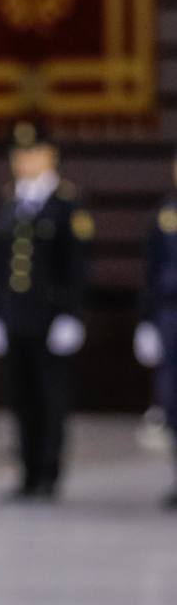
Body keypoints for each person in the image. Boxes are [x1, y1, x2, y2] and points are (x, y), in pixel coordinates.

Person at [0, 122, 92, 500]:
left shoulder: (66, 203)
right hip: (15, 317)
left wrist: (72, 314)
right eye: (19, 154)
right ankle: (27, 473)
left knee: (50, 398)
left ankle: (48, 474)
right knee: (21, 397)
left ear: (50, 156)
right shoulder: (8, 201)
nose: (24, 160)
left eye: (32, 153)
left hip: (51, 317)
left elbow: (77, 264)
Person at [135, 148, 177, 508]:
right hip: (170, 315)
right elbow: (150, 273)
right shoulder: (165, 213)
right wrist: (146, 321)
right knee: (172, 400)